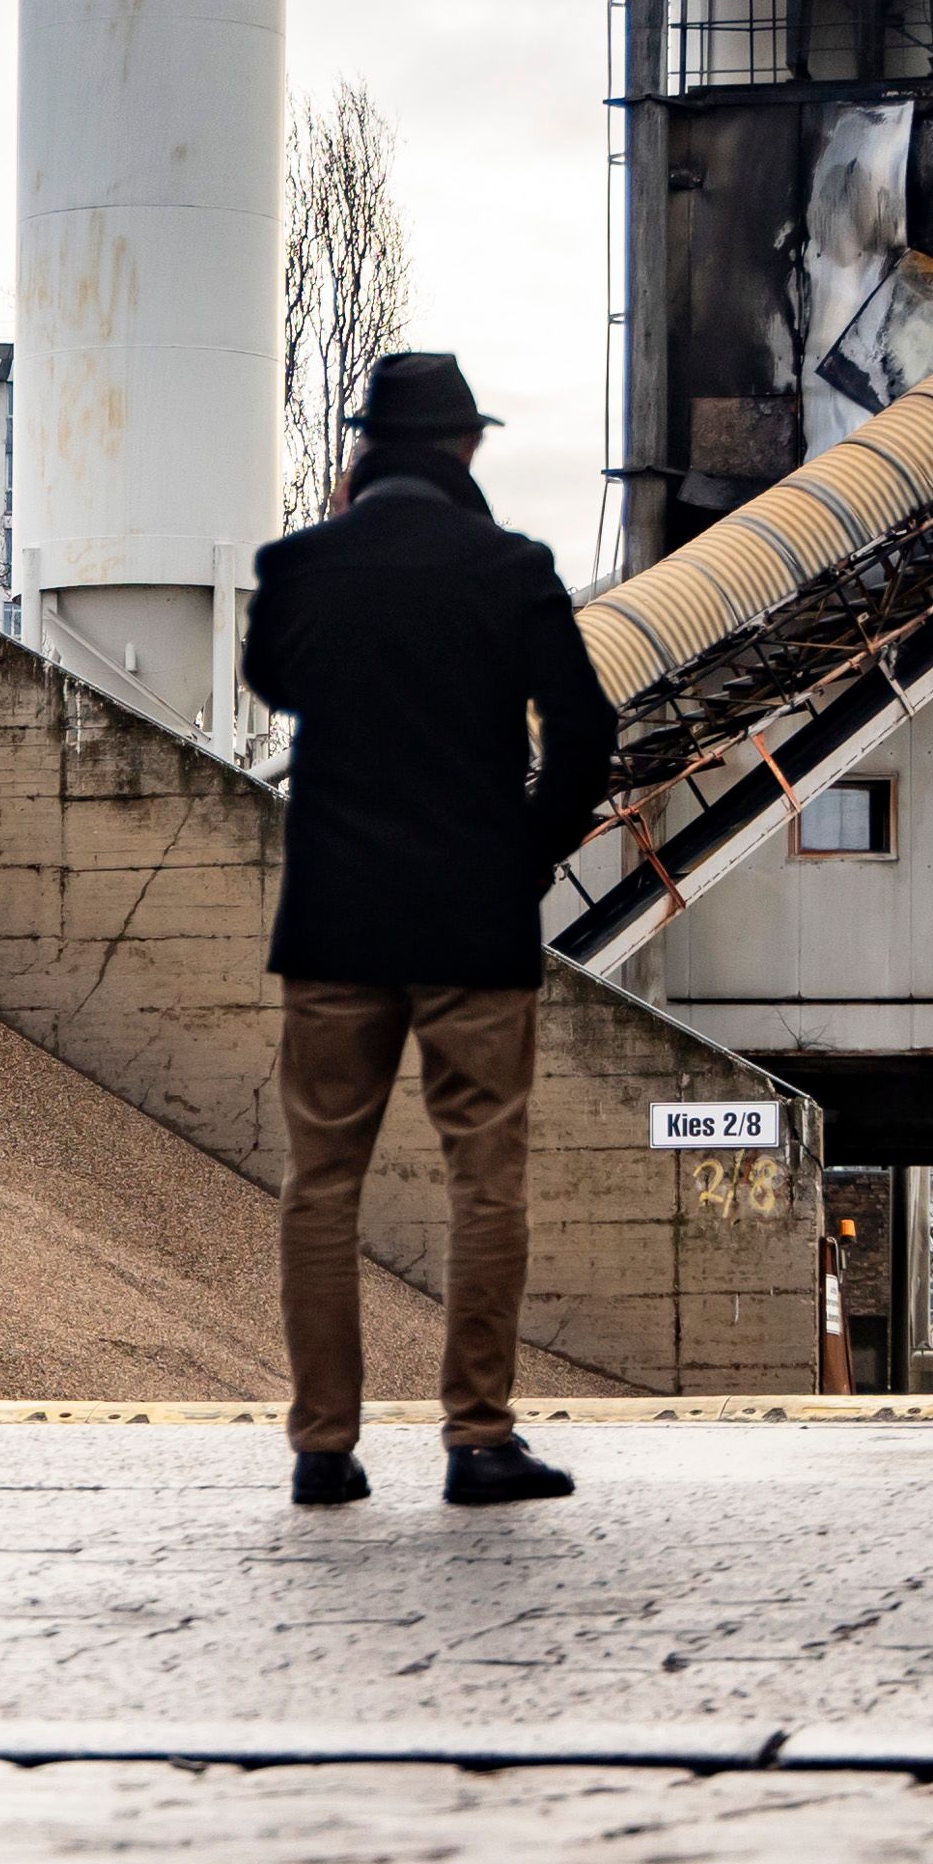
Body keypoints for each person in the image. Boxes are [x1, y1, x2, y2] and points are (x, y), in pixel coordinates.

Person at [238, 351, 623, 1507]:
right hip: (472, 919)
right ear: (467, 447)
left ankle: (321, 1446)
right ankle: (477, 1436)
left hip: (337, 918)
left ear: (367, 447)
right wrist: (520, 849)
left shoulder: (302, 565)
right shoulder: (511, 569)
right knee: (483, 1179)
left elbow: (272, 679)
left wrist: (336, 538)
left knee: (320, 1182)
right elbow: (586, 730)